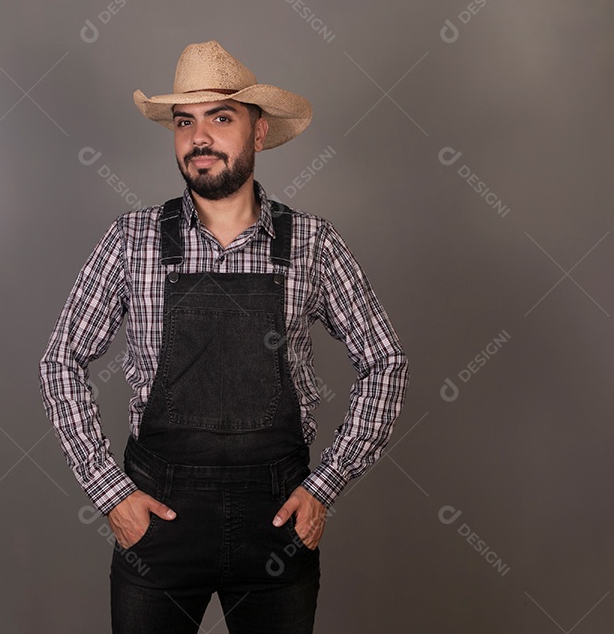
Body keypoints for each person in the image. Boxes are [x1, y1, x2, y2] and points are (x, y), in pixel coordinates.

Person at [39, 40, 408, 633]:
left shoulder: (312, 242)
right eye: (184, 122)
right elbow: (62, 360)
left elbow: (385, 362)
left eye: (220, 117)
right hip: (158, 518)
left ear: (258, 134)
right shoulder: (132, 239)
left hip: (278, 518)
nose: (199, 137)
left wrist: (326, 486)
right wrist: (110, 492)